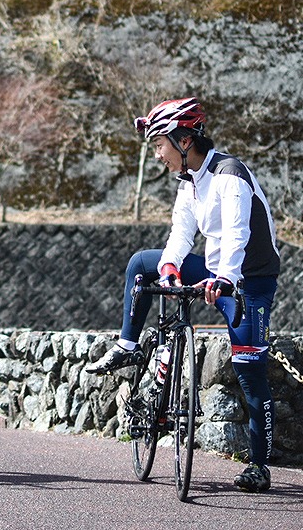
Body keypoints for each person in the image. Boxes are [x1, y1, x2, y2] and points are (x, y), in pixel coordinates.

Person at [88, 97, 280, 493]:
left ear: (184, 139)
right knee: (143, 263)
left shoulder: (230, 174)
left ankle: (259, 466)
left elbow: (236, 234)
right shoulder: (189, 181)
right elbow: (181, 233)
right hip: (214, 269)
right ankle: (129, 344)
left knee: (249, 372)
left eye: (160, 144)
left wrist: (224, 279)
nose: (158, 154)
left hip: (249, 280)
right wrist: (171, 266)